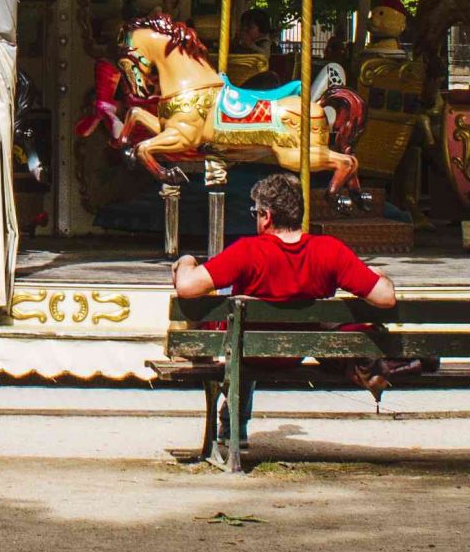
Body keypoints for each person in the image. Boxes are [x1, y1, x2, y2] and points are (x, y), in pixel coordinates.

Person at [171, 171, 400, 419]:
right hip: (296, 353)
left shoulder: (247, 251)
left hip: (248, 353)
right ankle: (233, 420)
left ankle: (232, 423)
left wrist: (186, 261)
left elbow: (186, 287)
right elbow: (385, 297)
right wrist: (379, 275)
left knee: (225, 308)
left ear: (267, 216)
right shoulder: (330, 250)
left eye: (255, 214)